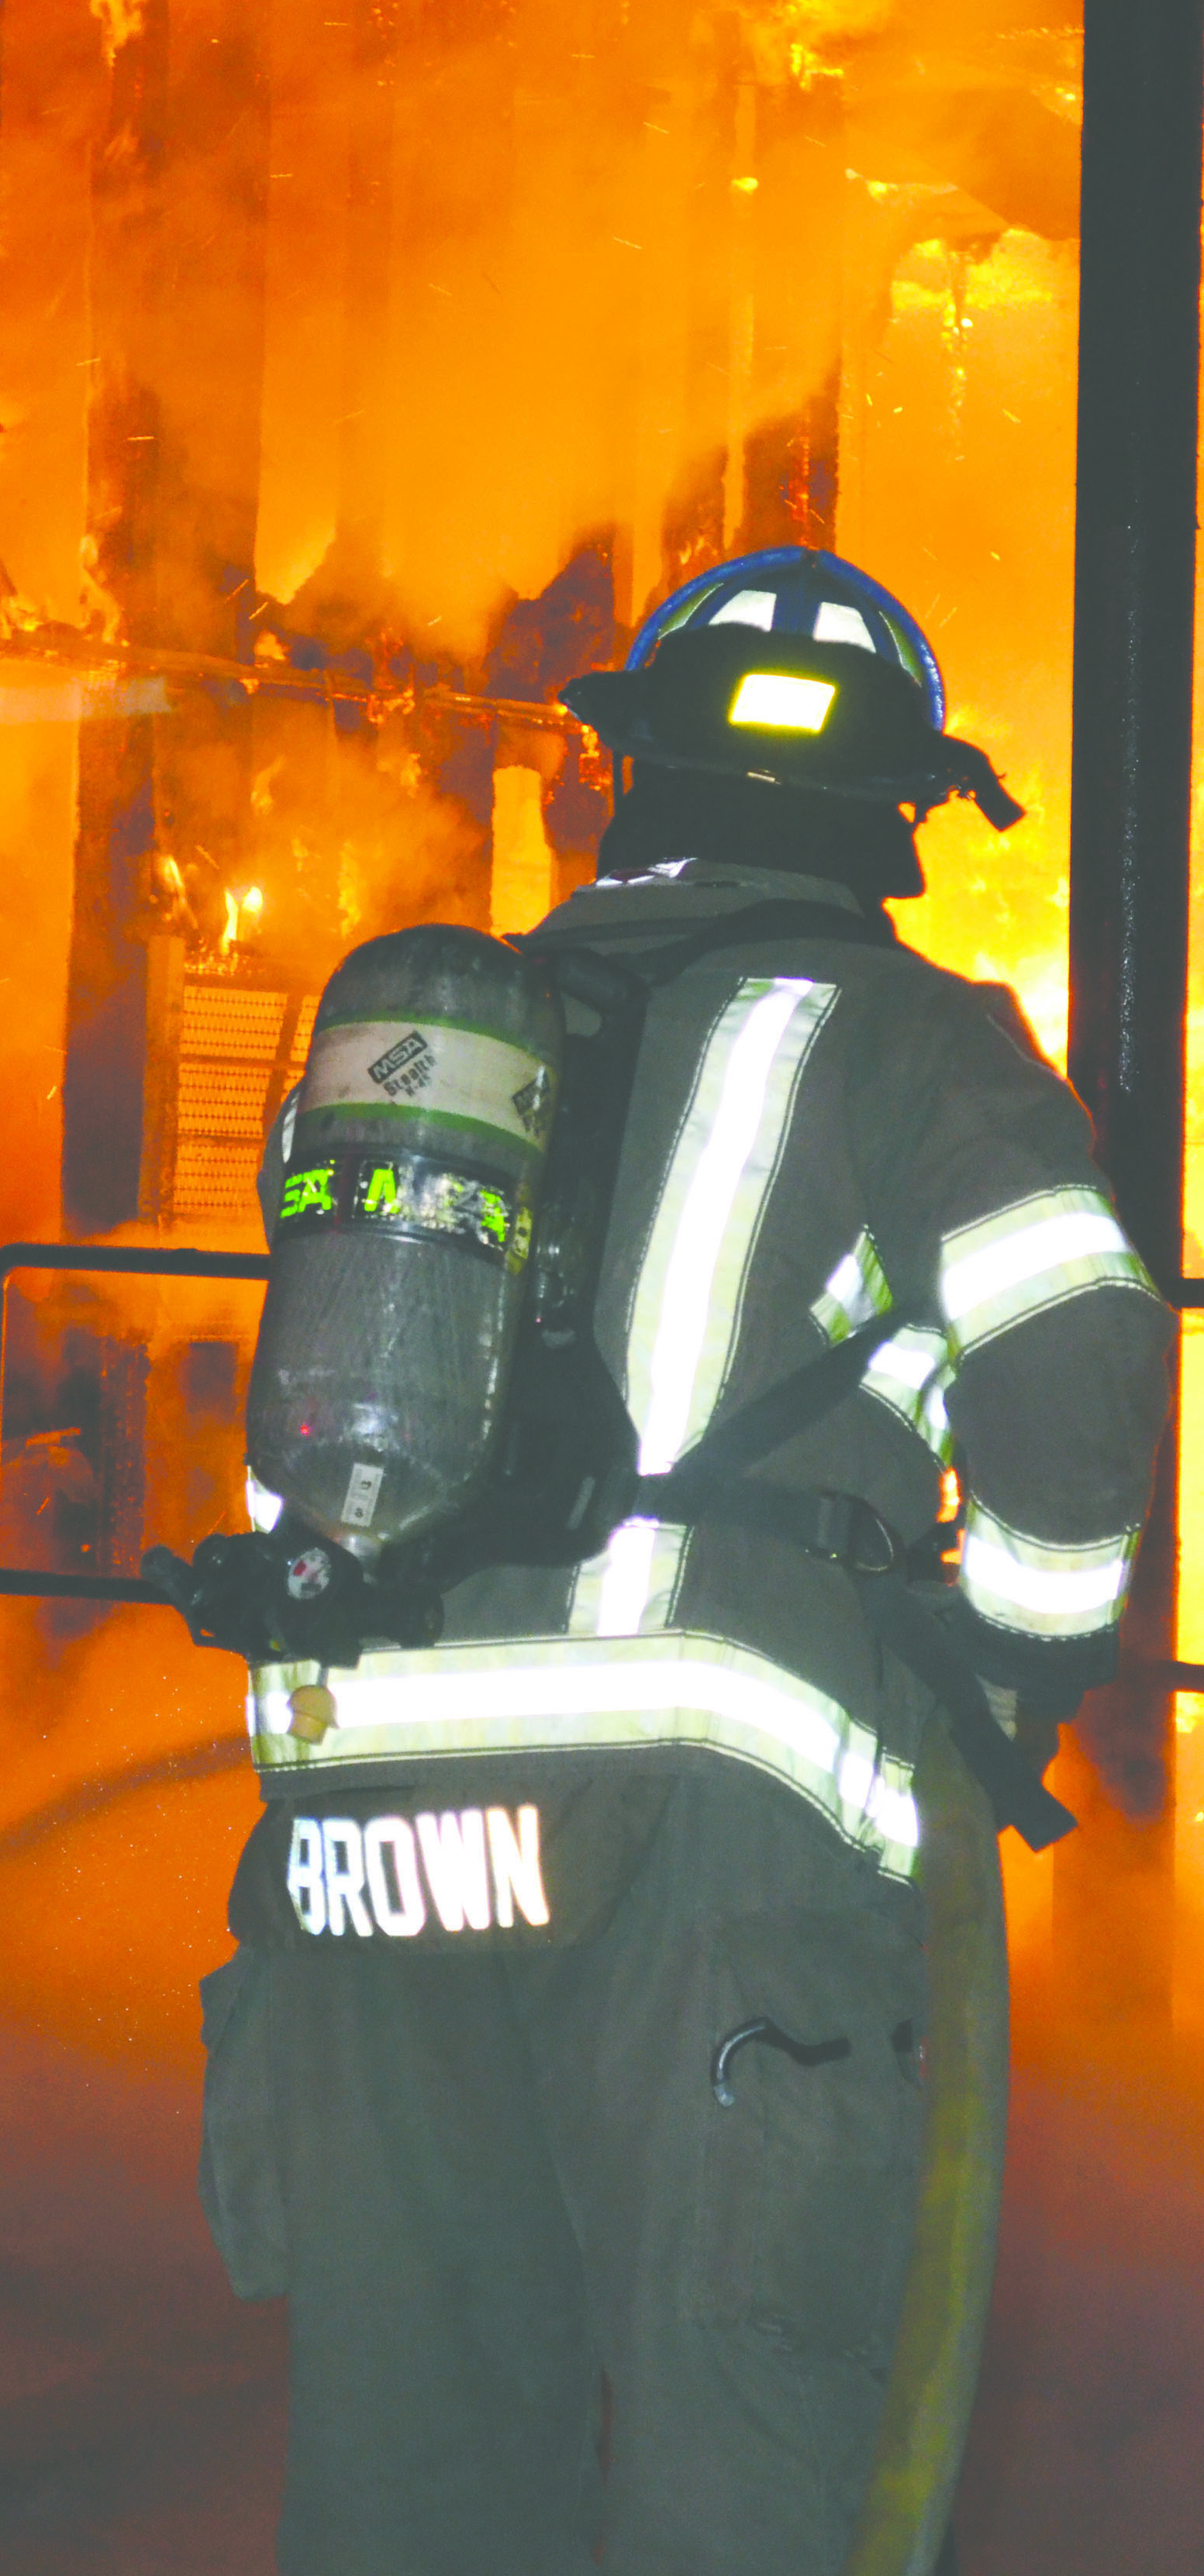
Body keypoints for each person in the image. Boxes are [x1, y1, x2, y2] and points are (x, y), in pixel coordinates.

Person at [191, 549, 1174, 2576]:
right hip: (705, 1854)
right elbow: (1081, 1387)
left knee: (412, 2490)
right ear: (901, 812)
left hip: (364, 1841)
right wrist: (1000, 1682)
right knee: (742, 2450)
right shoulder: (917, 1044)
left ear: (627, 773)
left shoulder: (448, 1041)